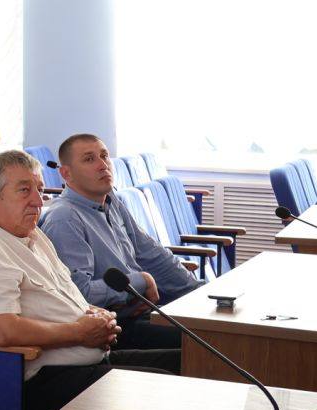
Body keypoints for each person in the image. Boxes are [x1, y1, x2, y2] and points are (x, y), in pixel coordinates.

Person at [0, 150, 178, 410]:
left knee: (188, 361)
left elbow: (62, 295)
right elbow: (4, 331)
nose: (38, 201)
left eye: (39, 189)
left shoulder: (32, 235)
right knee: (167, 387)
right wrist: (79, 333)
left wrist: (96, 314)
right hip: (45, 380)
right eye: (24, 190)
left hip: (88, 360)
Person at [39, 133, 201, 346]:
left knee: (214, 326)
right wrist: (139, 282)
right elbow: (79, 294)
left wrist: (197, 292)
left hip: (142, 308)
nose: (103, 165)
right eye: (89, 159)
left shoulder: (110, 200)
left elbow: (150, 253)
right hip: (114, 327)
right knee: (204, 340)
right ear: (66, 174)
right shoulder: (65, 218)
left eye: (104, 156)